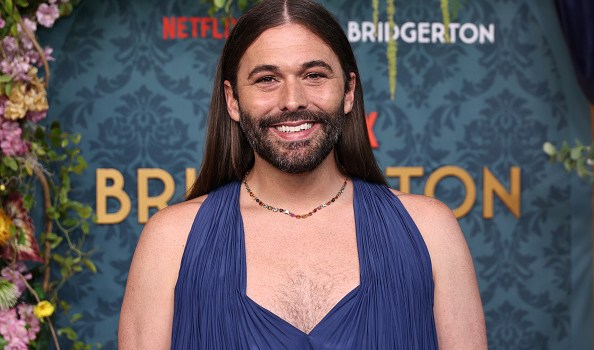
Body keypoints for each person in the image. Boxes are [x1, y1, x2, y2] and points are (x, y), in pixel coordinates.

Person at [118, 0, 488, 348]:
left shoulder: (430, 230)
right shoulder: (170, 240)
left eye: (313, 75)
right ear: (232, 100)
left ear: (348, 91)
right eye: (266, 79)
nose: (292, 100)